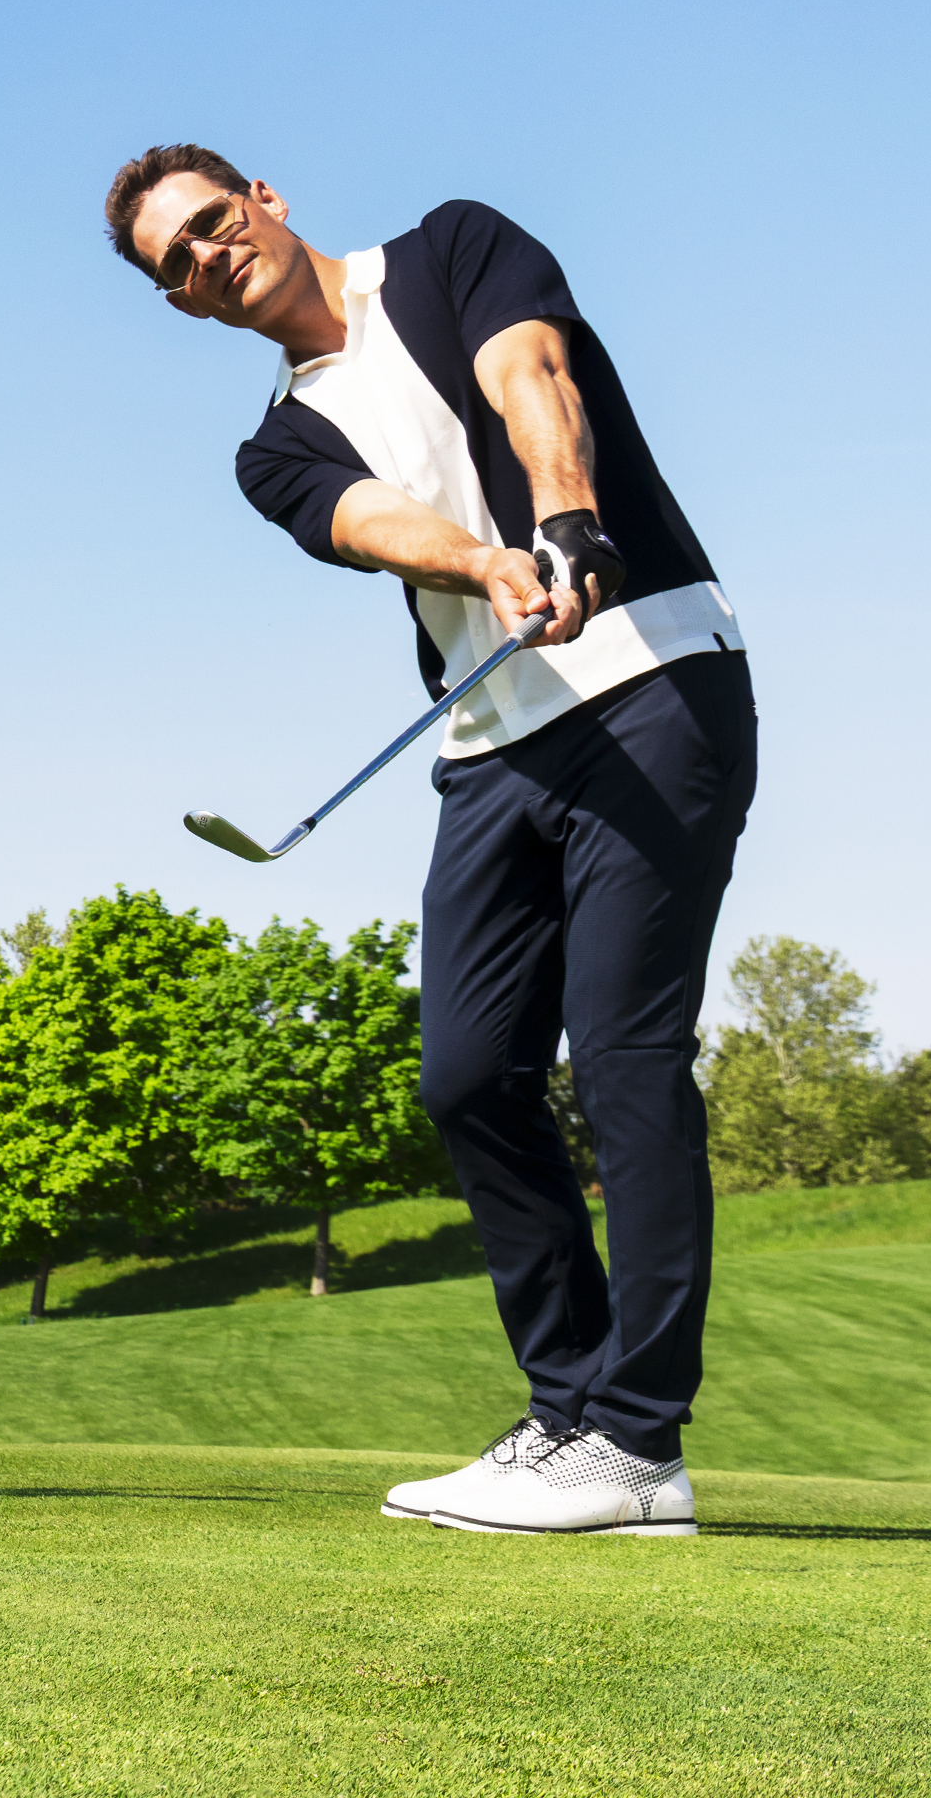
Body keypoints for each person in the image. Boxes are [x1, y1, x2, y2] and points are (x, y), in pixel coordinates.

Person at [107, 146, 753, 1537]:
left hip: (649, 682)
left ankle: (639, 1442)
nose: (210, 256)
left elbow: (536, 378)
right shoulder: (273, 448)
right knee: (467, 1076)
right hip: (489, 742)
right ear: (183, 306)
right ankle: (567, 1414)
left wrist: (565, 519)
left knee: (625, 1050)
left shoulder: (454, 248)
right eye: (181, 264)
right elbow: (370, 520)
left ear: (264, 201)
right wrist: (484, 562)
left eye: (214, 223)